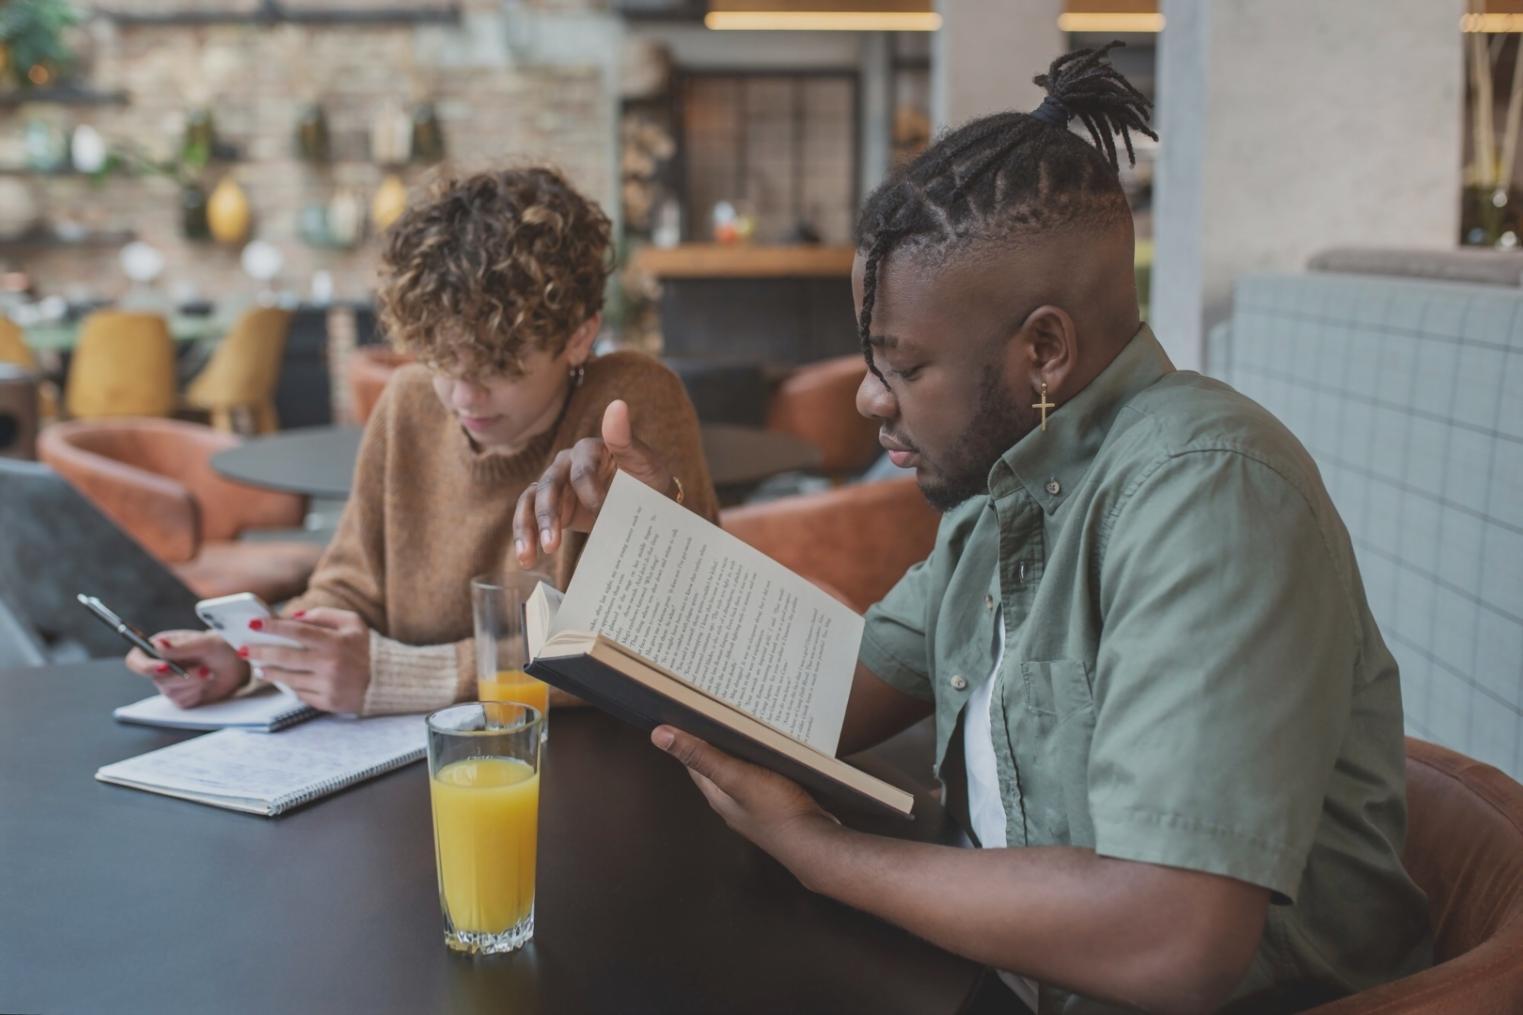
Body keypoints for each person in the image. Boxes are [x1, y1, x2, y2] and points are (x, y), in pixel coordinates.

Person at [532, 46, 1432, 1014]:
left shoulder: (1207, 493)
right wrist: (652, 534)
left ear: (1043, 349)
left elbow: (1174, 934)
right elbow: (810, 698)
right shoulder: (1003, 498)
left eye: (904, 366)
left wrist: (824, 855)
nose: (869, 399)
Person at [125, 166, 719, 716]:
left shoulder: (627, 402)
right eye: (440, 363)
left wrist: (396, 676)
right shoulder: (408, 403)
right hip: (423, 762)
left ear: (579, 337)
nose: (463, 398)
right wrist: (257, 655)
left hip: (584, 764)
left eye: (497, 368)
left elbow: (650, 646)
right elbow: (351, 588)